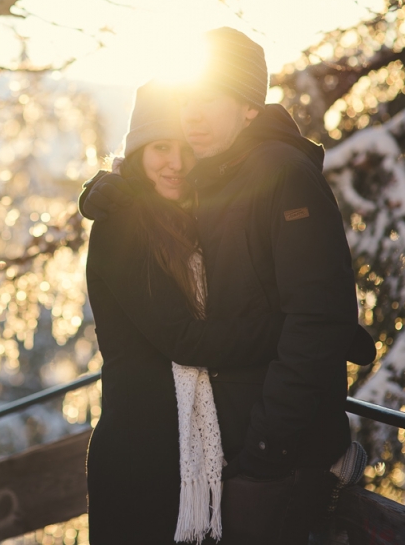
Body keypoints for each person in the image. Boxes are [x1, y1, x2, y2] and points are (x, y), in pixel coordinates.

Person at [81, 28, 374, 544]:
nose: (192, 118)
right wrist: (109, 189)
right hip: (177, 459)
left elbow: (314, 315)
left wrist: (266, 450)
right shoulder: (165, 204)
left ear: (247, 108)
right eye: (187, 101)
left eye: (208, 99)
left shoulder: (272, 178)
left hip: (253, 457)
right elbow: (193, 333)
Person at [85, 80, 291, 544]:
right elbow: (183, 339)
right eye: (160, 147)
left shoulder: (193, 219)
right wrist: (288, 331)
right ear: (137, 151)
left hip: (188, 459)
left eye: (184, 148)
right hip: (140, 461)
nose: (176, 163)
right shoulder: (122, 224)